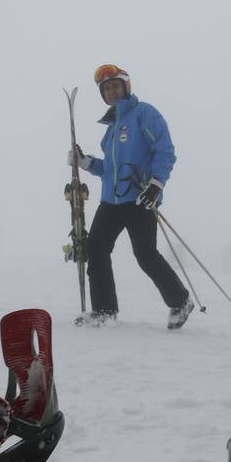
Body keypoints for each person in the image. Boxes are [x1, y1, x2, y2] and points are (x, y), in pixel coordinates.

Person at [68, 63, 194, 329]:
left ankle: (181, 301)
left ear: (126, 87)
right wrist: (85, 162)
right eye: (107, 89)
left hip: (139, 198)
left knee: (145, 254)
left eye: (115, 86)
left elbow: (165, 151)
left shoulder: (144, 114)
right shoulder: (111, 127)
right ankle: (104, 311)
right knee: (97, 248)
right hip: (111, 201)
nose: (112, 92)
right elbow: (109, 170)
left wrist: (156, 185)